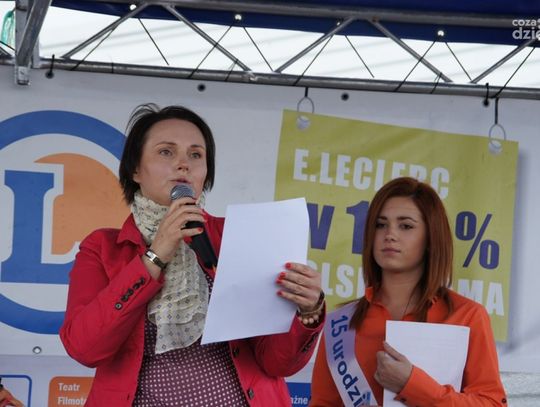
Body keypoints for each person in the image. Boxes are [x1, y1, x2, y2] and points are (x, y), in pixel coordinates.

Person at [60, 104, 325, 407]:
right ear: (135, 170)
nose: (183, 164)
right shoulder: (102, 248)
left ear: (206, 172)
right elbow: (85, 348)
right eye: (166, 152)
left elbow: (277, 363)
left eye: (196, 155)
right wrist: (156, 255)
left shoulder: (236, 235)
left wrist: (308, 311)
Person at [310, 177, 507, 406]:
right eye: (380, 224)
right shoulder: (341, 323)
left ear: (431, 238)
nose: (390, 234)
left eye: (406, 226)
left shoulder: (467, 316)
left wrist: (412, 385)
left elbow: (492, 403)